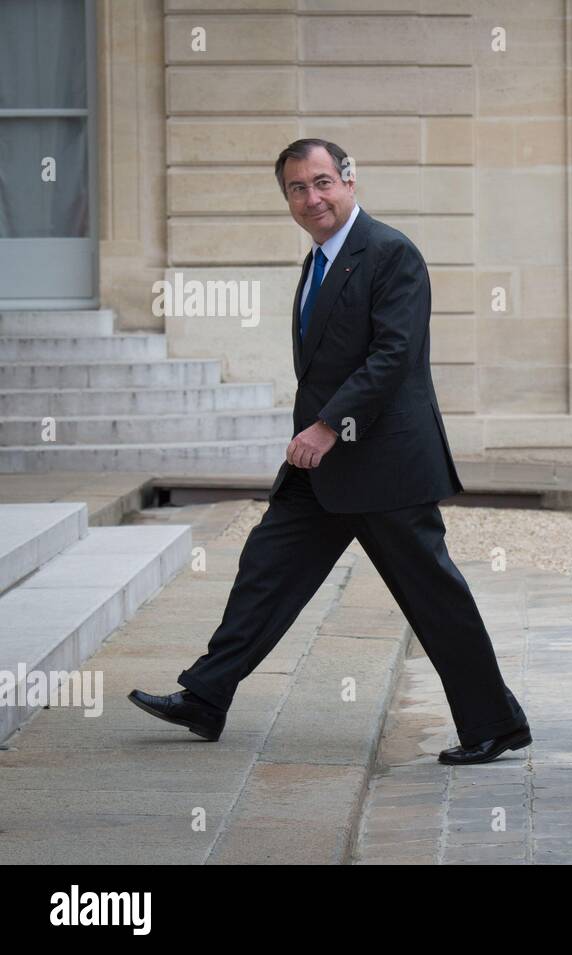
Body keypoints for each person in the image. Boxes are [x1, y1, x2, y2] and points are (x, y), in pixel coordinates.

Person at [128, 139, 529, 765]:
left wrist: (326, 426)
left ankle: (494, 723)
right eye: (296, 189)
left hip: (384, 464)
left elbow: (393, 357)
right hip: (323, 470)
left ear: (347, 179)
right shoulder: (317, 261)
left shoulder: (392, 253)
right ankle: (206, 696)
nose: (311, 198)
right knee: (266, 571)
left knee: (432, 596)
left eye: (321, 182)